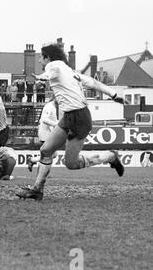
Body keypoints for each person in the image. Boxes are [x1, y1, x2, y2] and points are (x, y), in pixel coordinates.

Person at [16, 43, 127, 201]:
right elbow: (93, 83)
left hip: (79, 118)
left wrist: (42, 77)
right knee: (46, 150)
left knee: (71, 164)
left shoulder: (54, 65)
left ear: (48, 57)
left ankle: (110, 156)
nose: (40, 61)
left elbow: (51, 71)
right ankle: (37, 189)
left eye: (41, 57)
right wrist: (114, 94)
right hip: (70, 116)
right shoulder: (70, 72)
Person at [27, 95, 60, 172]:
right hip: (45, 134)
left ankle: (32, 160)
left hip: (48, 134)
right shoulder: (49, 106)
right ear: (55, 98)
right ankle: (38, 168)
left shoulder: (53, 106)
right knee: (49, 154)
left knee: (51, 154)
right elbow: (44, 119)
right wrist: (56, 124)